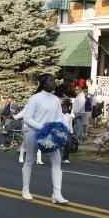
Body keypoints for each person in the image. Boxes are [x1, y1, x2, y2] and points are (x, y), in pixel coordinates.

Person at [21, 73, 68, 204]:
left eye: (54, 81)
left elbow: (59, 116)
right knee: (30, 160)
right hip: (33, 132)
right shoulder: (35, 98)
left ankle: (56, 193)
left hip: (51, 134)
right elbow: (27, 118)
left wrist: (57, 126)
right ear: (44, 83)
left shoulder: (55, 99)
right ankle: (25, 190)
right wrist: (43, 127)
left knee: (57, 161)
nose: (55, 83)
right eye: (51, 81)